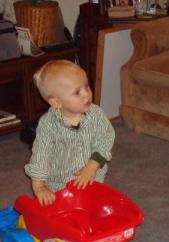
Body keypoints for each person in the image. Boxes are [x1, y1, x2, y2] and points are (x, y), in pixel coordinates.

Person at [25, 60, 115, 206]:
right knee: (61, 217)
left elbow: (105, 141)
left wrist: (92, 166)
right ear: (56, 103)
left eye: (86, 87)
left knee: (91, 209)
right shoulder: (48, 124)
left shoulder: (97, 114)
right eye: (77, 92)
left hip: (92, 178)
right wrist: (39, 186)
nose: (86, 94)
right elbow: (41, 154)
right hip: (59, 184)